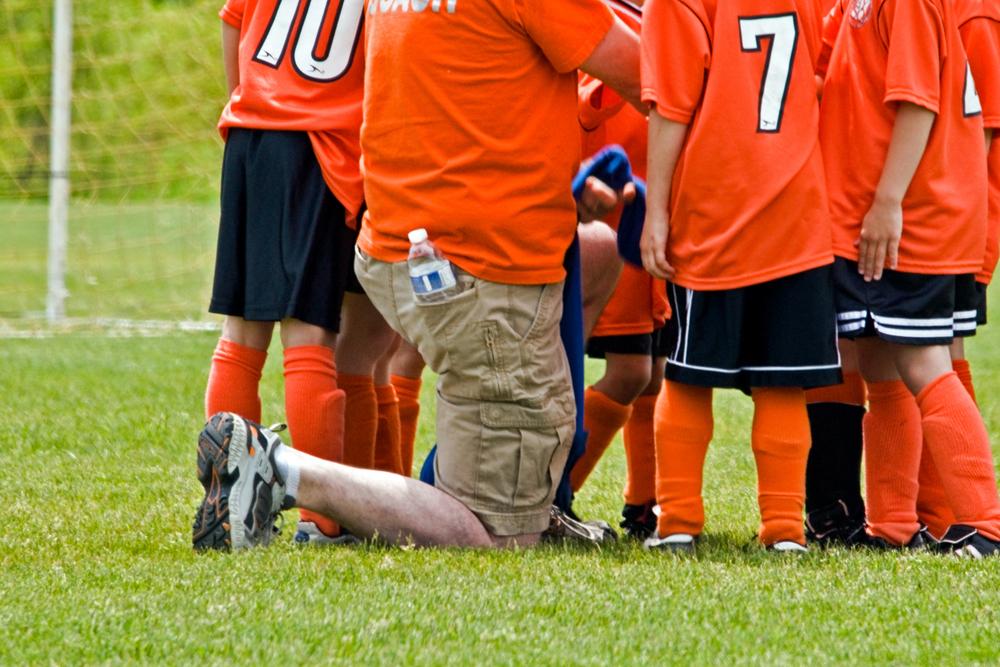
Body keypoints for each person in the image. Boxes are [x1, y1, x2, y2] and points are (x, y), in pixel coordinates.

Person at [193, 0, 643, 549]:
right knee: (493, 534)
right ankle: (290, 480)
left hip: (365, 217)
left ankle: (284, 493)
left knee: (255, 339)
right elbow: (648, 73)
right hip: (451, 245)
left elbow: (474, 89)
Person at [641, 0, 840, 552]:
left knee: (686, 374)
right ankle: (783, 529)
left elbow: (671, 107)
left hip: (715, 210)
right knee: (783, 380)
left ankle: (678, 522)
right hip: (798, 211)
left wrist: (656, 212)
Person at [820, 0, 1000, 555]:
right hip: (881, 213)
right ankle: (892, 524)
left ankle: (985, 524)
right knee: (880, 363)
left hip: (912, 218)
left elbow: (918, 103)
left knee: (924, 362)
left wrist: (888, 202)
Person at [194, 0, 365, 549]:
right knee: (310, 334)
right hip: (319, 142)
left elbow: (232, 20)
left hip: (249, 134)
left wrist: (250, 102)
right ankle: (323, 520)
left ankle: (227, 498)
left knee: (241, 333)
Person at [565, 0, 670, 541]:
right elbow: (587, 103)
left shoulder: (660, 16)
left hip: (656, 212)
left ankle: (643, 502)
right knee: (631, 370)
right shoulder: (601, 20)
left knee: (650, 372)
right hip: (618, 214)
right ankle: (557, 491)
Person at [914, 0, 1000, 544]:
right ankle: (939, 515)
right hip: (947, 211)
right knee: (931, 349)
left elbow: (983, 126)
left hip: (950, 214)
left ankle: (967, 518)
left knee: (934, 351)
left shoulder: (976, 13)